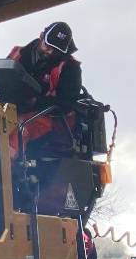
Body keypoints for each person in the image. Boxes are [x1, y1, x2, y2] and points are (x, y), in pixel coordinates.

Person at [7, 21, 83, 159]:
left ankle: (6, 172)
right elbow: (1, 76)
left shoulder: (70, 68)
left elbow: (67, 103)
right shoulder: (18, 54)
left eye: (56, 50)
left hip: (48, 117)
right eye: (48, 46)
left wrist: (35, 102)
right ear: (41, 36)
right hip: (10, 108)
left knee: (18, 130)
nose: (50, 52)